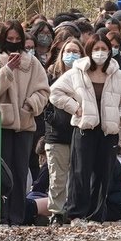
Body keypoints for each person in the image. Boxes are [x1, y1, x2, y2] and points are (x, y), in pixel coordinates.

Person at [49, 35, 121, 223]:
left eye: (105, 49)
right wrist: (75, 108)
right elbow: (55, 92)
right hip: (85, 128)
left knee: (103, 173)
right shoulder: (76, 72)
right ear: (89, 50)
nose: (101, 53)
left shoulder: (118, 75)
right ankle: (76, 213)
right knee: (80, 172)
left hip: (109, 130)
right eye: (97, 48)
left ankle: (96, 215)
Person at [0, 22, 49, 225]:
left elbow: (44, 90)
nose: (13, 43)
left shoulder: (33, 63)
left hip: (25, 124)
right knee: (1, 171)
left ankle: (17, 215)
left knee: (20, 172)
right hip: (1, 123)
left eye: (16, 39)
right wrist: (7, 71)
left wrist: (31, 105)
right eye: (9, 39)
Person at [42, 39, 81, 225]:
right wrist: (52, 119)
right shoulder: (51, 75)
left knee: (77, 175)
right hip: (56, 134)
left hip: (79, 132)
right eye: (68, 51)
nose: (71, 55)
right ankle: (56, 212)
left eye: (75, 51)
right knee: (57, 176)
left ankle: (73, 210)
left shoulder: (85, 77)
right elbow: (45, 99)